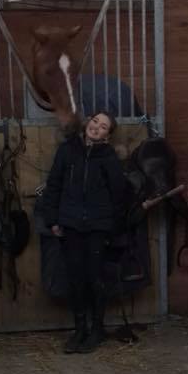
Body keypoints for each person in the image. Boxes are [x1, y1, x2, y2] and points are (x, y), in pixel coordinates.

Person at [41, 112, 127, 353]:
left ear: (108, 136)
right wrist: (53, 220)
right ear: (87, 123)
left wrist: (113, 227)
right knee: (75, 278)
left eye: (103, 127)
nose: (96, 128)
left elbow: (118, 194)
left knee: (95, 278)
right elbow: (54, 185)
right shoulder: (68, 150)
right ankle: (79, 329)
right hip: (71, 225)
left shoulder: (109, 158)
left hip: (98, 227)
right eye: (95, 122)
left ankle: (97, 329)